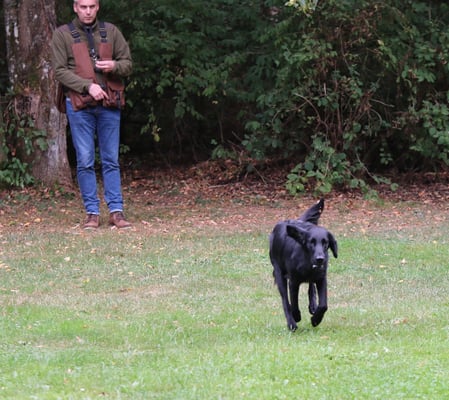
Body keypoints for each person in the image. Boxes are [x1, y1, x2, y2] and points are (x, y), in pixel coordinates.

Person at [51, 0, 132, 229]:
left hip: (109, 104)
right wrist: (88, 86)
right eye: (83, 7)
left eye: (92, 6)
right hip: (78, 105)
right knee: (85, 160)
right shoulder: (62, 34)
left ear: (98, 7)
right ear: (75, 7)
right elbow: (59, 71)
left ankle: (116, 212)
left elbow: (128, 64)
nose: (87, 11)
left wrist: (114, 66)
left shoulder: (111, 31)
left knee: (111, 159)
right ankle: (92, 213)